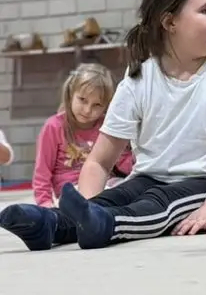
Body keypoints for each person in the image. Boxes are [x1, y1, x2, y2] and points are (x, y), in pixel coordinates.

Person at [0, 0, 206, 251]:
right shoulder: (140, 77)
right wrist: (85, 209)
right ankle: (51, 224)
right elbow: (99, 161)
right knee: (117, 197)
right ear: (170, 22)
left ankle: (108, 225)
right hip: (148, 179)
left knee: (159, 202)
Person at [32, 63, 134, 207]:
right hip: (72, 190)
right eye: (82, 100)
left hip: (105, 184)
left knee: (129, 191)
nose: (87, 110)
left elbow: (124, 165)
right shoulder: (53, 127)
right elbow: (42, 172)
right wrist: (45, 203)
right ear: (70, 93)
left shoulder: (107, 125)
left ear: (107, 106)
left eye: (97, 105)